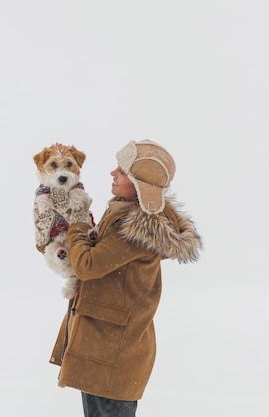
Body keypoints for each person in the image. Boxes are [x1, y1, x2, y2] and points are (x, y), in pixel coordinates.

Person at [48, 140, 203, 417]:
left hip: (112, 355)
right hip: (102, 347)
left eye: (122, 171)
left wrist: (78, 223)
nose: (112, 174)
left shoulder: (134, 229)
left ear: (140, 185)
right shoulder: (122, 212)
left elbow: (86, 264)